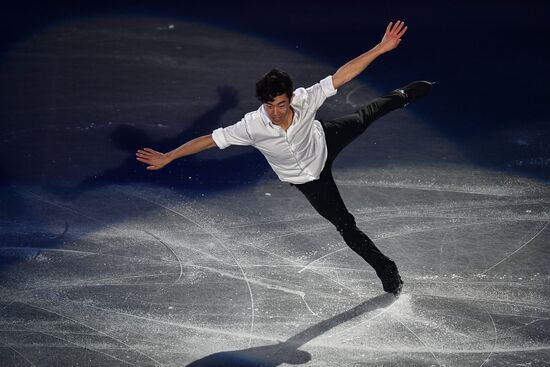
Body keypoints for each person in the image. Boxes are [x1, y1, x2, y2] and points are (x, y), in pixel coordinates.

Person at [136, 20, 432, 296]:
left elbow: (342, 75)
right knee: (345, 225)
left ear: (289, 97)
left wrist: (381, 47)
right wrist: (170, 156)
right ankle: (386, 269)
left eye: (280, 104)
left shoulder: (305, 98)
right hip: (308, 180)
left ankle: (402, 95)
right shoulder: (252, 126)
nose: (275, 112)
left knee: (365, 115)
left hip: (324, 140)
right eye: (269, 106)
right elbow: (210, 140)